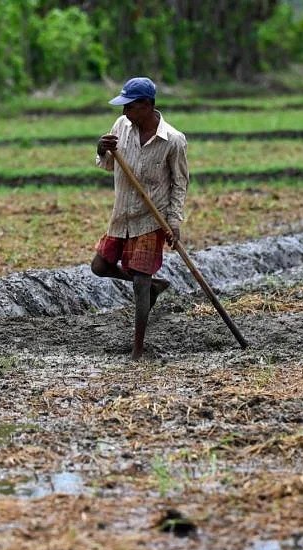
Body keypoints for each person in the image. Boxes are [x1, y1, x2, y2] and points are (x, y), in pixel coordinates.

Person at [92, 77, 189, 360]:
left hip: (151, 218)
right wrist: (102, 149)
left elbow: (180, 184)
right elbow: (108, 165)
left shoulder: (173, 141)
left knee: (140, 283)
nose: (124, 113)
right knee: (100, 266)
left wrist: (174, 222)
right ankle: (155, 287)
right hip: (122, 214)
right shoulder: (121, 128)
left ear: (146, 106)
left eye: (130, 107)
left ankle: (137, 350)